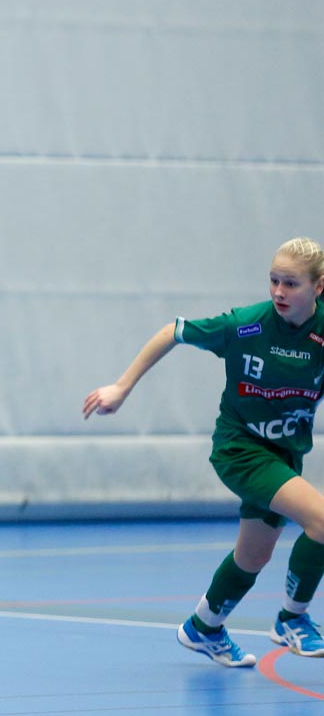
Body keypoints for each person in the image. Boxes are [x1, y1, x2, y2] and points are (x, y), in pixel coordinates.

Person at [84, 237, 324, 666]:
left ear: (318, 287)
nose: (278, 293)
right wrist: (121, 387)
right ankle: (292, 618)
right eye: (273, 281)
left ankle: (204, 627)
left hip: (285, 453)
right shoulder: (245, 325)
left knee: (253, 556)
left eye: (291, 284)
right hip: (241, 450)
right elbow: (172, 331)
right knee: (322, 520)